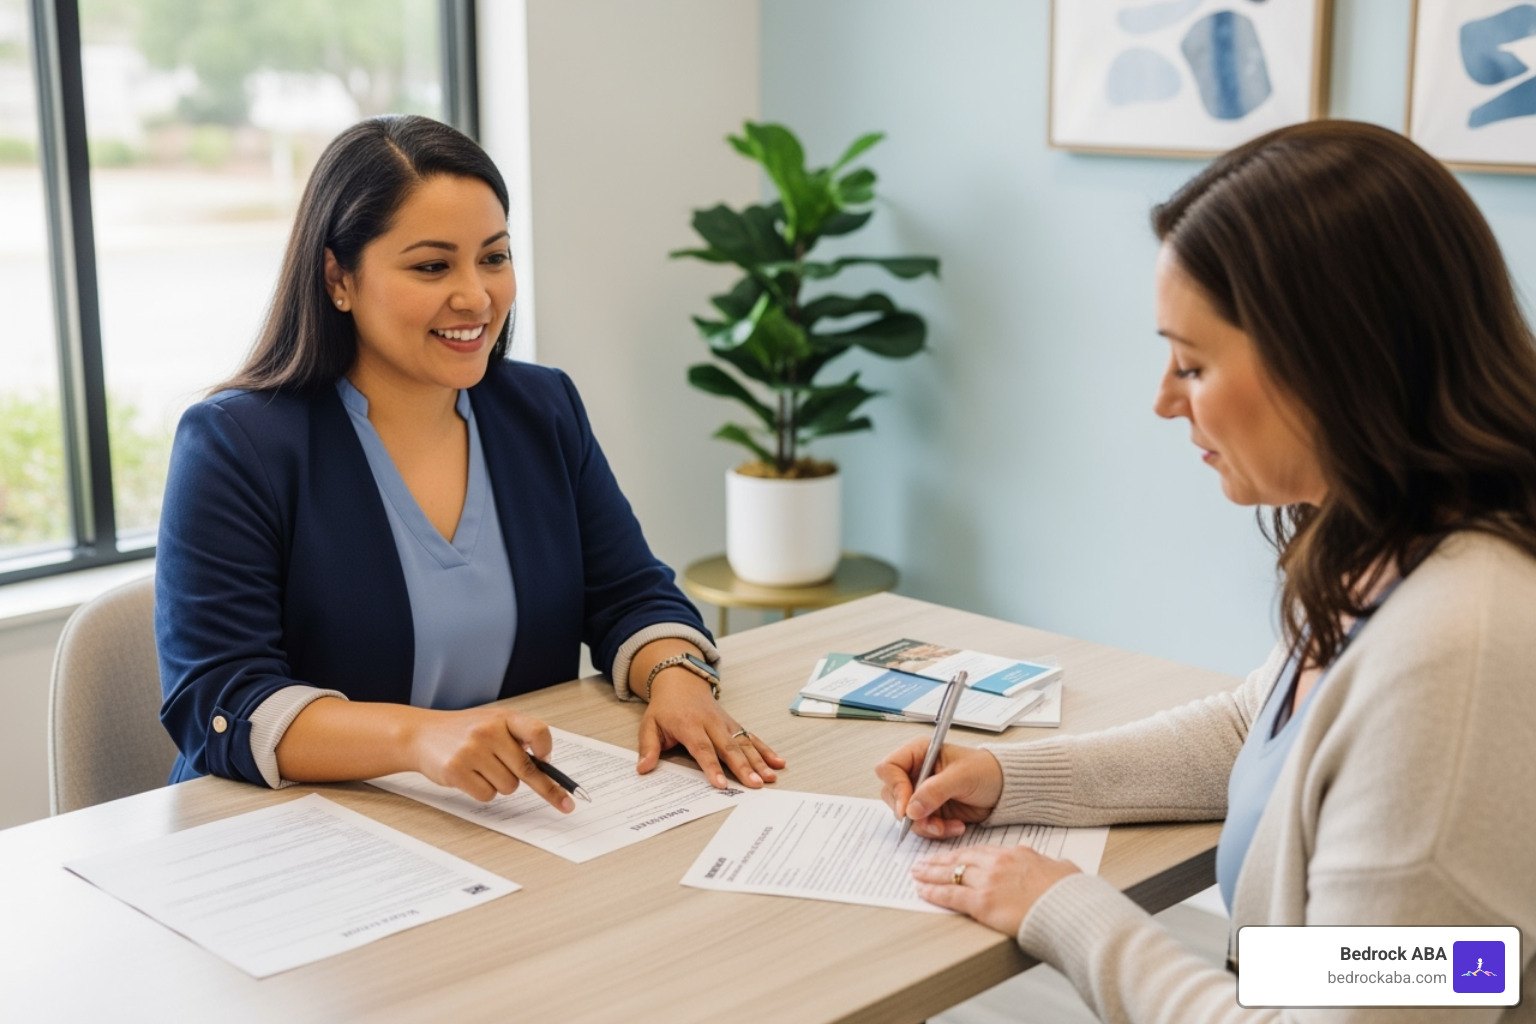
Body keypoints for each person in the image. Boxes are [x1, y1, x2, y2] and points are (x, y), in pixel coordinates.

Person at [877, 121, 1536, 1022]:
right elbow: (1256, 732)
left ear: (1332, 362)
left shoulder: (1455, 658)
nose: (1161, 398)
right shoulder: (1389, 540)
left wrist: (1065, 911)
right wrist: (1007, 781)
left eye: (1191, 363)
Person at [157, 114, 783, 809]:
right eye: (432, 266)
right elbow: (217, 699)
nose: (476, 297)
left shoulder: (541, 409)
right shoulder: (235, 444)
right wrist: (417, 739)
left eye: (493, 257)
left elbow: (630, 594)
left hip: (498, 819)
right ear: (338, 277)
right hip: (294, 830)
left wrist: (677, 680)